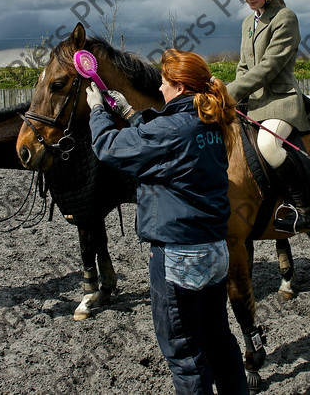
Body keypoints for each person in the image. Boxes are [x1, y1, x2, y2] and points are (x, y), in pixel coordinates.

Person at [85, 49, 250, 395]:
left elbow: (109, 148)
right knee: (220, 340)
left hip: (179, 257)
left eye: (163, 81)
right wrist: (130, 113)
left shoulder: (172, 129)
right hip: (215, 251)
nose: (159, 88)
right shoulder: (211, 122)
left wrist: (97, 110)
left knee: (185, 354)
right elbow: (164, 137)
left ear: (178, 85)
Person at [227, 0, 310, 234]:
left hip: (280, 100)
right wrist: (232, 93)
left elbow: (269, 67)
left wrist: (228, 92)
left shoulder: (285, 18)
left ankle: (304, 208)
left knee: (268, 144)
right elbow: (244, 65)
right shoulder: (247, 22)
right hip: (253, 101)